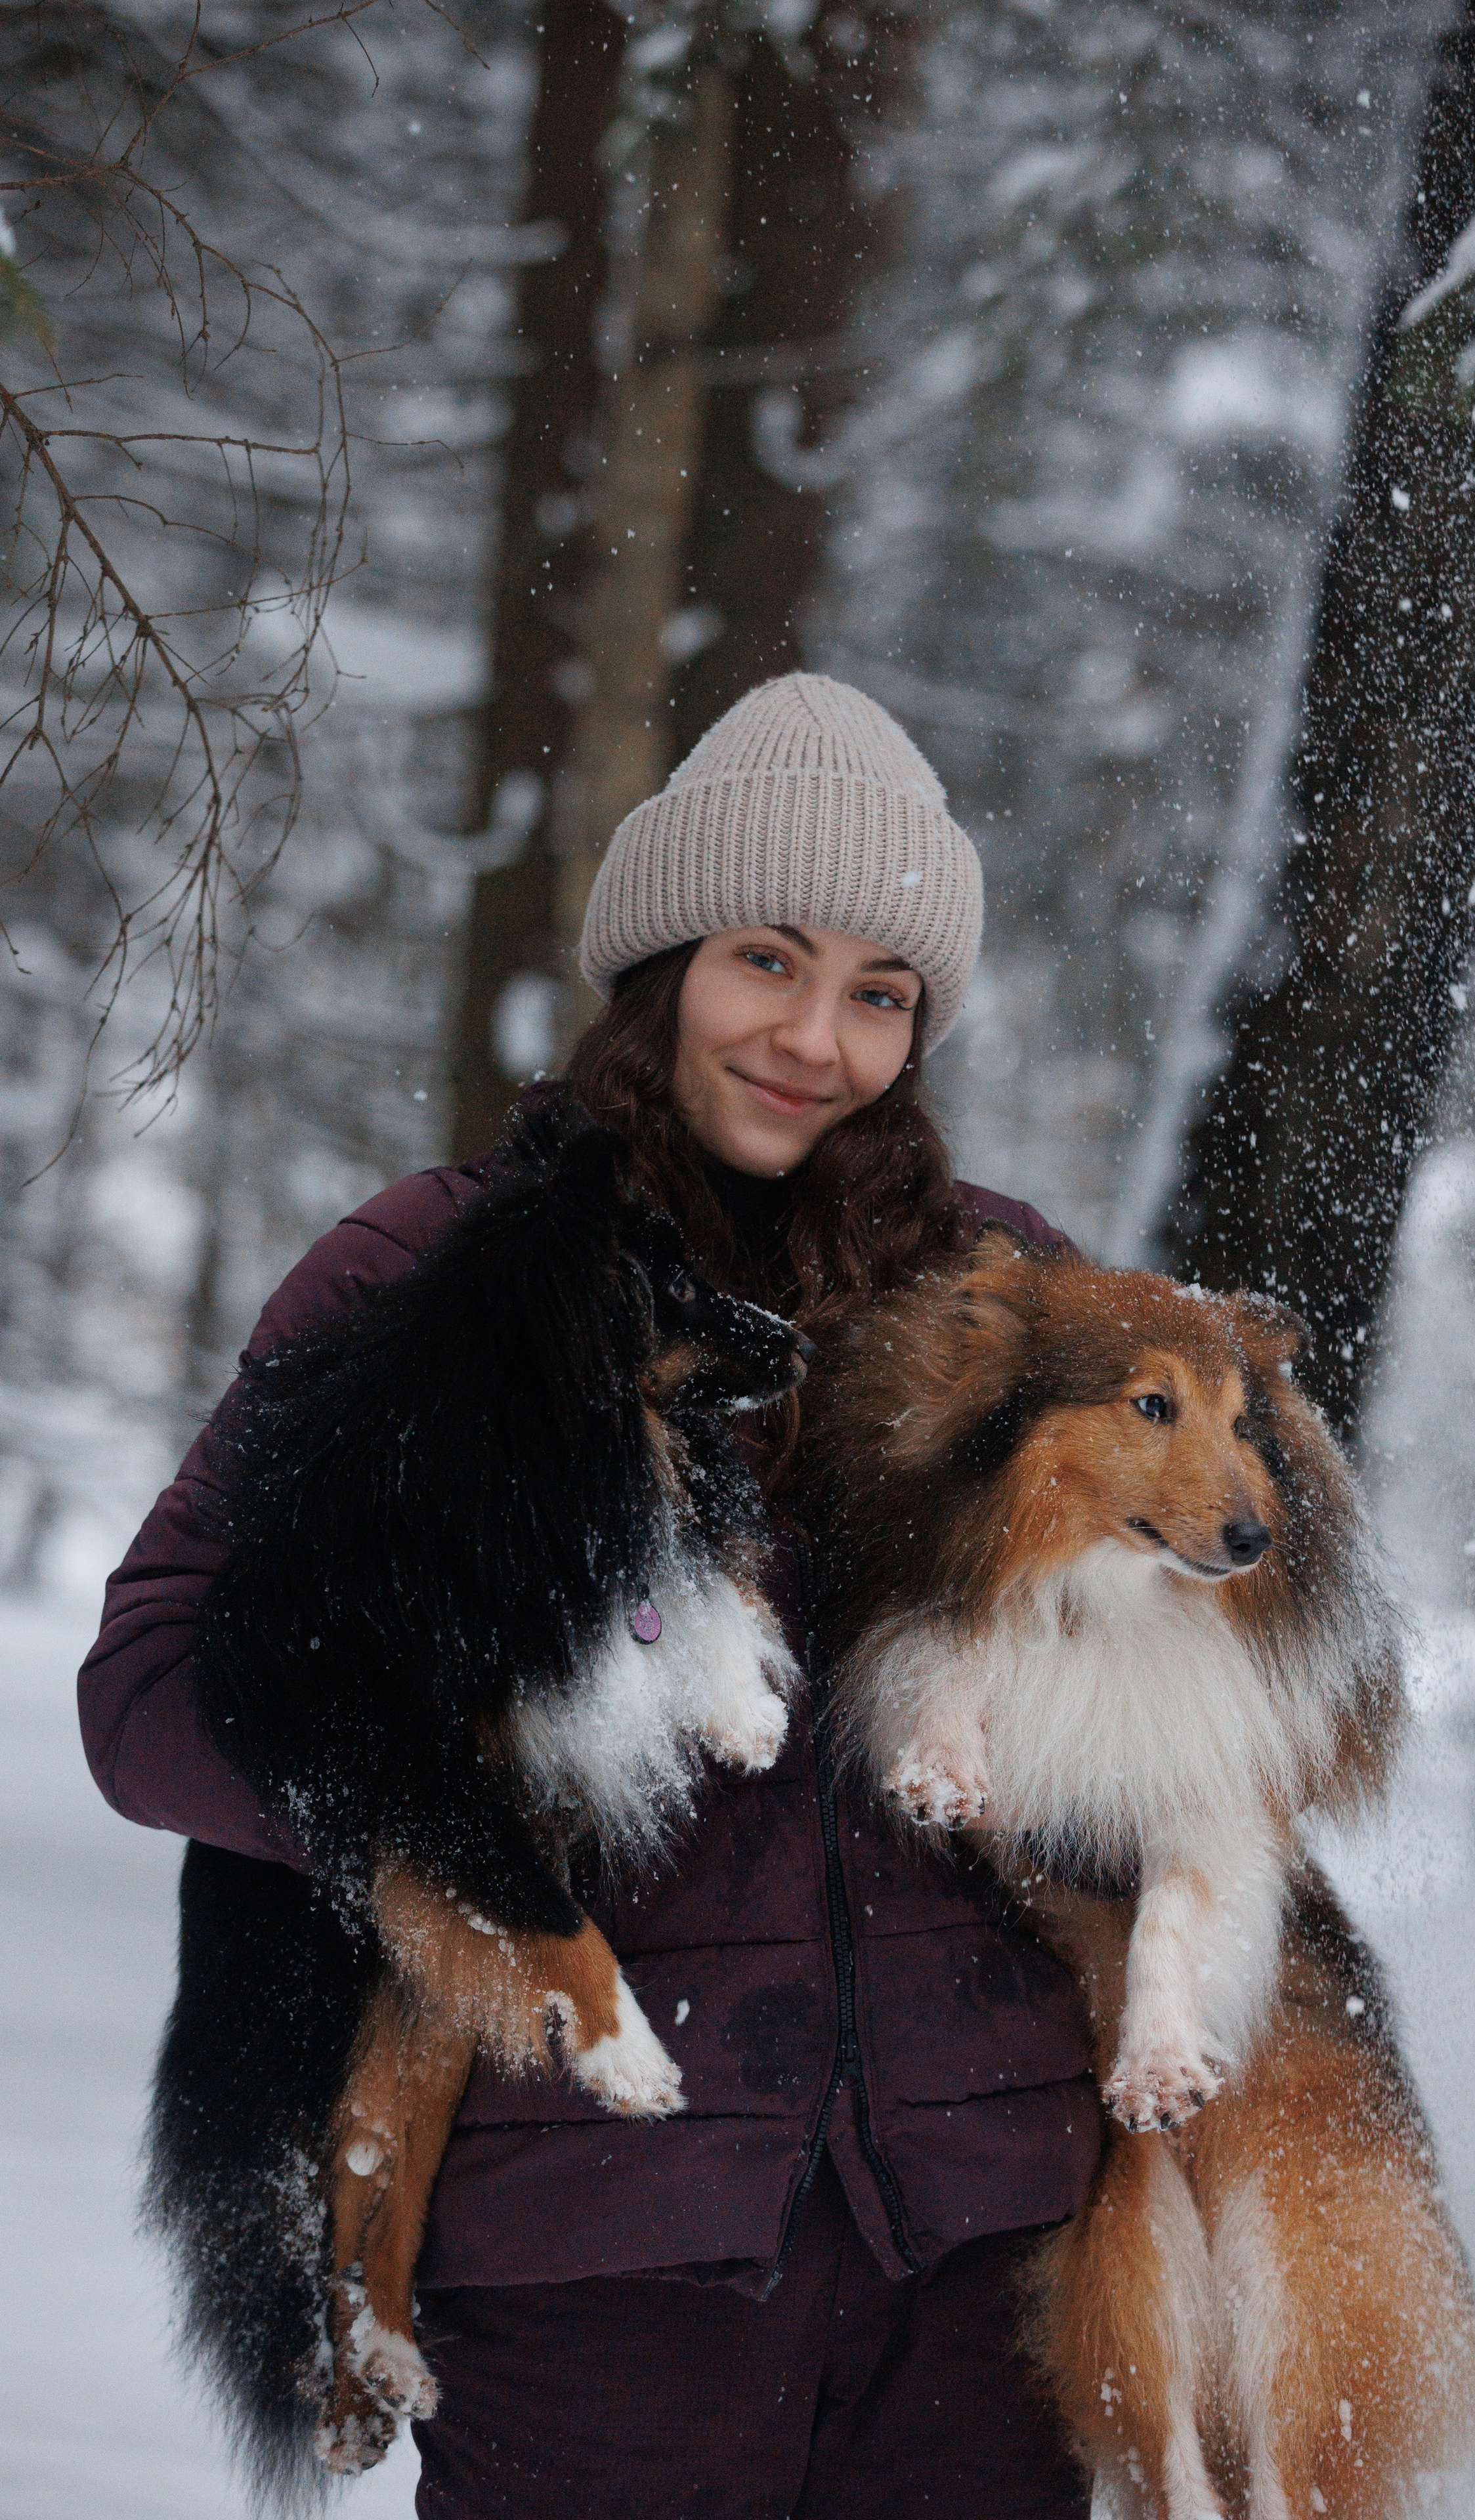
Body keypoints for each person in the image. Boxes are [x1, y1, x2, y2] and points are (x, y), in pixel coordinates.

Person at [79, 673, 1102, 2519]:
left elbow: (1182, 1672)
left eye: (881, 993)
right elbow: (149, 1692)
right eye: (765, 961)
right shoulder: (436, 1266)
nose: (813, 1038)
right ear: (664, 963)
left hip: (988, 2251)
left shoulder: (1010, 1292)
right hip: (594, 2245)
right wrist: (452, 1784)